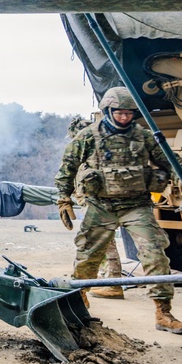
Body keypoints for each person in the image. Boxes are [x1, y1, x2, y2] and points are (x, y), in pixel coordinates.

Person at [55, 87, 182, 334]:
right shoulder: (89, 136)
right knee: (87, 257)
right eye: (120, 113)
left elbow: (172, 162)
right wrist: (63, 199)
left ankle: (164, 312)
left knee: (155, 254)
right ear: (109, 111)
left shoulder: (144, 136)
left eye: (129, 113)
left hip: (136, 205)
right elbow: (68, 166)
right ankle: (78, 304)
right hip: (101, 206)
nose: (125, 117)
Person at [61, 115, 126, 300]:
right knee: (101, 242)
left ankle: (112, 282)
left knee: (100, 242)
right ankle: (106, 280)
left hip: (96, 203)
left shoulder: (92, 154)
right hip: (94, 202)